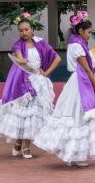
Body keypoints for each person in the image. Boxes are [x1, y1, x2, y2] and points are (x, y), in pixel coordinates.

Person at [34, 12, 95, 167]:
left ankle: (74, 153)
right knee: (79, 116)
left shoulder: (77, 43)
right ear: (80, 31)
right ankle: (76, 154)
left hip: (78, 82)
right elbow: (86, 69)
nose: (90, 35)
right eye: (88, 32)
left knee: (76, 115)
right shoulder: (77, 45)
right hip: (81, 83)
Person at [0, 12, 61, 159]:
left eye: (26, 29)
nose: (24, 32)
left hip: (39, 83)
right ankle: (18, 143)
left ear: (32, 29)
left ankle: (26, 146)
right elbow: (20, 59)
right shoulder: (17, 45)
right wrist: (21, 60)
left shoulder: (41, 43)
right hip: (23, 83)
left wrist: (46, 72)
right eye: (21, 30)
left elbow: (57, 58)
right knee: (22, 114)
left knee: (34, 115)